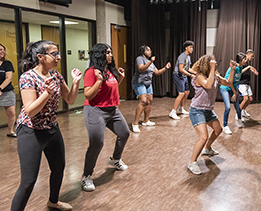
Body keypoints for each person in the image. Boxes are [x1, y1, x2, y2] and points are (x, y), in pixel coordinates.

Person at [11, 40, 81, 211]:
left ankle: (53, 201)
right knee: (28, 181)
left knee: (58, 168)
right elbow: (30, 111)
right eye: (54, 54)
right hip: (30, 131)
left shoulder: (56, 76)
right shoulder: (27, 77)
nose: (58, 57)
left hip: (51, 128)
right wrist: (46, 94)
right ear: (40, 57)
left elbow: (70, 99)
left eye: (58, 53)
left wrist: (76, 82)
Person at [81, 43, 130, 192]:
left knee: (124, 133)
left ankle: (115, 159)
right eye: (107, 52)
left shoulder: (109, 70)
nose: (110, 55)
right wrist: (99, 80)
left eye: (110, 52)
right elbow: (88, 95)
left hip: (112, 110)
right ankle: (86, 176)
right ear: (99, 54)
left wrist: (120, 78)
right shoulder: (91, 72)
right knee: (97, 143)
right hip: (95, 110)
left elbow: (111, 88)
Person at [188, 55, 236, 175]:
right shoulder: (199, 77)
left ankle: (207, 149)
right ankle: (192, 162)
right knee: (203, 137)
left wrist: (232, 69)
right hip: (197, 110)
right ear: (207, 64)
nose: (215, 63)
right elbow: (208, 85)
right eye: (212, 62)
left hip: (208, 110)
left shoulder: (214, 76)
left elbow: (229, 83)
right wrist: (213, 68)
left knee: (218, 130)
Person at [131, 45, 171, 133]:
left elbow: (156, 72)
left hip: (148, 84)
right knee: (143, 101)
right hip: (139, 83)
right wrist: (150, 62)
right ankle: (135, 124)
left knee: (149, 101)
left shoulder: (151, 62)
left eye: (150, 50)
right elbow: (141, 69)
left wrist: (165, 68)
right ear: (143, 51)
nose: (150, 52)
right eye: (148, 50)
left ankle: (146, 121)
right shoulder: (140, 58)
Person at [220, 52, 248, 135]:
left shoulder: (240, 67)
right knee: (228, 107)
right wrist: (234, 93)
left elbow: (240, 72)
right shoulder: (234, 68)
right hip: (225, 88)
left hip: (233, 88)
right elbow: (230, 82)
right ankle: (225, 126)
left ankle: (239, 120)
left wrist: (249, 67)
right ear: (240, 60)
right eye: (244, 59)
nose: (246, 61)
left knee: (237, 107)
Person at [169, 40, 196, 120]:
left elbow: (189, 69)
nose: (192, 49)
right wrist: (190, 75)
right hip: (178, 75)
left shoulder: (188, 57)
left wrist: (197, 73)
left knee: (187, 92)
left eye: (192, 47)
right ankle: (173, 112)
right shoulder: (182, 56)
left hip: (184, 76)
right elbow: (181, 69)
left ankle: (181, 108)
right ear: (186, 48)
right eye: (190, 47)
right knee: (181, 94)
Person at [0, 44, 17, 137]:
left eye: (3, 50)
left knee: (11, 112)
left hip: (7, 91)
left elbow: (8, 78)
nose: (2, 52)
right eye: (0, 50)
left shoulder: (7, 63)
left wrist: (0, 88)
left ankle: (10, 131)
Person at [237, 49, 259, 119]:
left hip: (246, 83)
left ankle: (243, 110)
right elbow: (240, 72)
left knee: (250, 99)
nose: (252, 58)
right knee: (246, 99)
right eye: (252, 56)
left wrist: (250, 69)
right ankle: (238, 114)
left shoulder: (246, 63)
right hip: (241, 83)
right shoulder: (242, 62)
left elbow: (245, 70)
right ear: (248, 54)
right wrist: (248, 67)